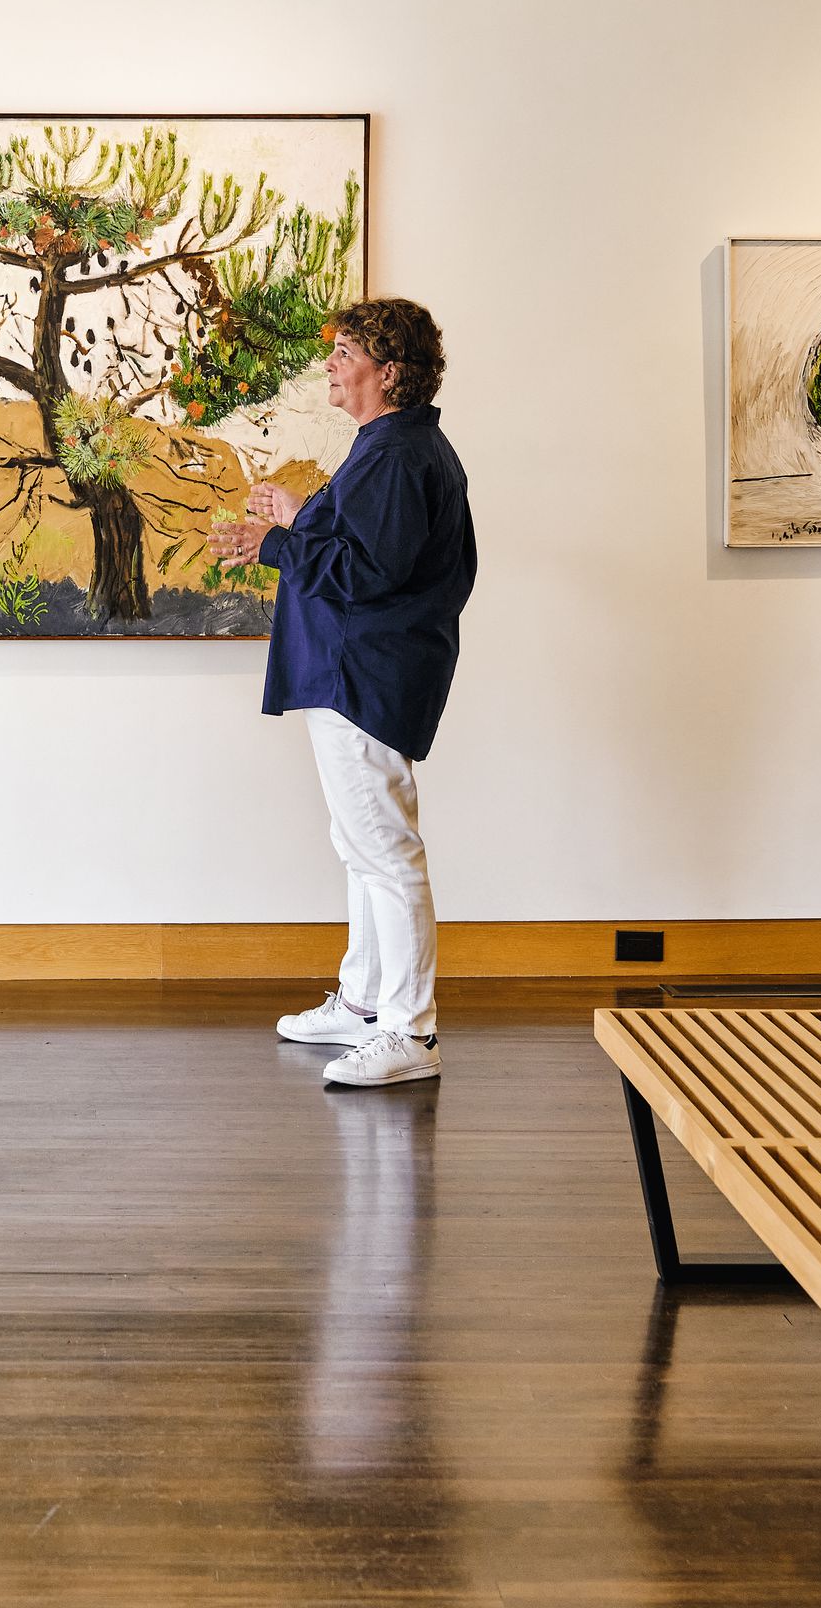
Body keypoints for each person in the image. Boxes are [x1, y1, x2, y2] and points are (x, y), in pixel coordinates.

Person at [211, 299, 474, 1090]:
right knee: (361, 843)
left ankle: (410, 1031)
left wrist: (275, 543)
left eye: (346, 352)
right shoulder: (390, 448)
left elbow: (368, 575)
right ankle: (364, 1003)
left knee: (385, 851)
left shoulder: (397, 456)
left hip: (365, 673)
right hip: (355, 671)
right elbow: (371, 546)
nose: (330, 363)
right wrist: (300, 515)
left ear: (388, 372)